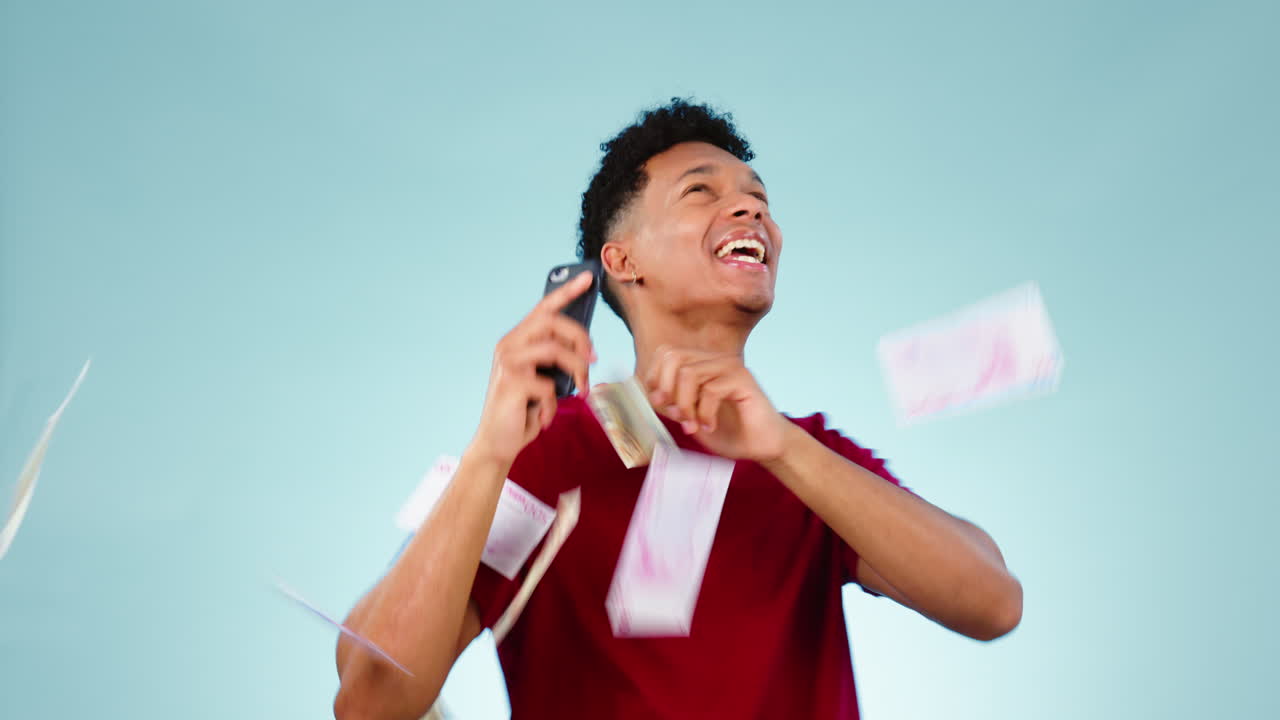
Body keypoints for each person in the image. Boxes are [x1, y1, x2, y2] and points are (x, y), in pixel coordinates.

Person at [333, 99, 1022, 720]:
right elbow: (369, 701)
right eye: (702, 192)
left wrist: (782, 448)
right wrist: (488, 455)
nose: (753, 211)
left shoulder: (810, 460)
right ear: (622, 260)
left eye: (760, 198)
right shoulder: (542, 454)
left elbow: (993, 602)